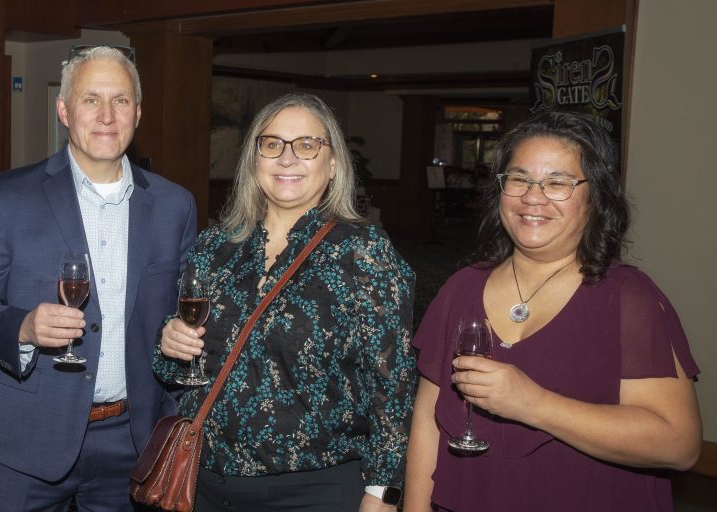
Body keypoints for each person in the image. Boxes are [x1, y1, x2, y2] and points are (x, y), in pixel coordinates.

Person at [404, 111, 702, 512]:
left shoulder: (628, 298)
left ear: (596, 197)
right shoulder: (461, 287)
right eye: (519, 179)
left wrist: (534, 404)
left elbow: (678, 445)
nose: (533, 197)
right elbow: (428, 421)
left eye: (558, 183)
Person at [0, 45, 196, 511]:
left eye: (120, 100)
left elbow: (180, 313)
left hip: (133, 441)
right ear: (63, 110)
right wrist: (23, 328)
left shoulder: (174, 206)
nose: (107, 115)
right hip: (29, 435)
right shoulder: (6, 196)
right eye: (91, 99)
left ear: (137, 113)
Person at [155, 92, 416, 512]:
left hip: (313, 490)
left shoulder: (363, 254)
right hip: (205, 482)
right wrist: (170, 345)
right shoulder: (215, 246)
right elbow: (181, 368)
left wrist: (383, 492)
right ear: (254, 159)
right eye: (272, 144)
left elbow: (393, 386)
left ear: (333, 164)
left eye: (306, 145)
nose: (287, 158)